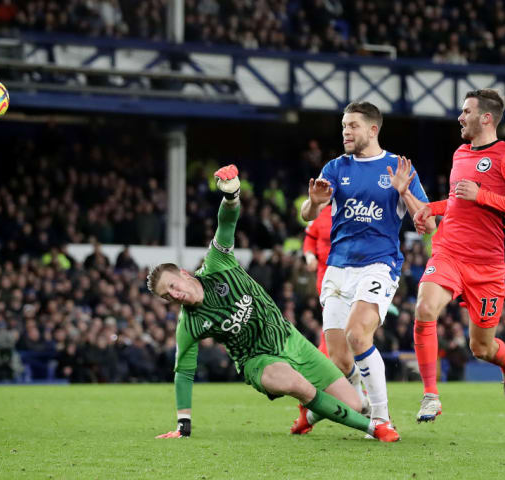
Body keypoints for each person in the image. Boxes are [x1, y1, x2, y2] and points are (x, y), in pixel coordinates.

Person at [149, 164, 399, 442]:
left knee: (352, 404)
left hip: (290, 338)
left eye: (172, 286)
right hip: (258, 361)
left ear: (183, 274)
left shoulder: (217, 264)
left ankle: (309, 414)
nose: (173, 294)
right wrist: (183, 425)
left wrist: (231, 195)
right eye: (166, 296)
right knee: (296, 384)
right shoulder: (190, 322)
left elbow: (227, 223)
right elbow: (183, 373)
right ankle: (375, 429)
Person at [300, 102, 435, 431]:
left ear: (373, 129)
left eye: (353, 126)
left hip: (378, 265)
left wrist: (405, 191)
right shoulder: (336, 167)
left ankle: (381, 418)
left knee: (358, 335)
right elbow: (307, 215)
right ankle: (354, 399)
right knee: (340, 360)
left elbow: (429, 224)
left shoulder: (397, 168)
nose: (346, 131)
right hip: (337, 268)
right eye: (344, 125)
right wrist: (315, 202)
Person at [411, 88, 505, 422]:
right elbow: (457, 202)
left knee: (481, 348)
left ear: (486, 118)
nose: (460, 117)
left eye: (466, 111)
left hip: (487, 266)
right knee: (425, 308)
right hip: (449, 251)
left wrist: (484, 195)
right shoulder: (459, 154)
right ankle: (430, 396)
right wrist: (430, 209)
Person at [302, 202, 332, 356]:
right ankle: (327, 358)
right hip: (325, 276)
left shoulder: (354, 211)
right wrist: (309, 256)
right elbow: (309, 239)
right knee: (331, 318)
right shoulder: (320, 213)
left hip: (350, 273)